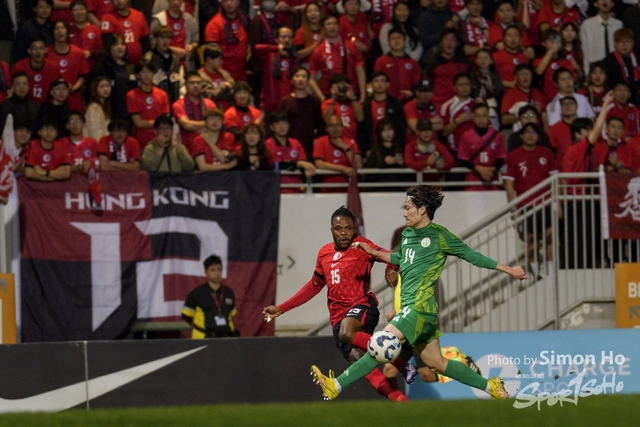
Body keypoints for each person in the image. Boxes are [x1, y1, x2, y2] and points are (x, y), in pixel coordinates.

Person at [310, 185, 527, 401]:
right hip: (412, 309)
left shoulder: (439, 236)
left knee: (381, 343)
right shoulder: (406, 235)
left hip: (419, 307)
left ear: (422, 209)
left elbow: (473, 256)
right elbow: (400, 259)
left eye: (408, 208)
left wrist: (509, 270)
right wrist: (373, 252)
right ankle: (491, 387)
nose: (404, 213)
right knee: (437, 364)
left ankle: (336, 385)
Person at [263, 206, 415, 402]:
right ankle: (402, 401)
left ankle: (402, 364)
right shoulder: (324, 253)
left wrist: (390, 269)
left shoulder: (362, 245)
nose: (344, 233)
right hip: (337, 318)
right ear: (331, 230)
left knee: (346, 332)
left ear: (354, 229)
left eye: (348, 228)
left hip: (362, 306)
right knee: (361, 362)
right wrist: (281, 308)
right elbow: (313, 286)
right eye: (339, 228)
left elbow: (391, 256)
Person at [503, 122, 559, 279]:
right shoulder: (513, 156)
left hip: (546, 203)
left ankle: (550, 273)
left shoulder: (546, 153)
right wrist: (514, 207)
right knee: (530, 239)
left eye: (534, 132)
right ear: (521, 136)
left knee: (549, 236)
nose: (530, 135)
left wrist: (558, 204)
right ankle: (536, 275)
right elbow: (509, 184)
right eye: (527, 132)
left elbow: (555, 179)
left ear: (538, 136)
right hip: (525, 205)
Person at [308, 14, 366, 103]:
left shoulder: (350, 46)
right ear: (323, 29)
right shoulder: (318, 51)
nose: (332, 26)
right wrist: (322, 98)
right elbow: (311, 78)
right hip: (329, 93)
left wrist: (363, 96)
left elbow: (360, 71)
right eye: (329, 24)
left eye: (334, 23)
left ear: (339, 27)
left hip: (351, 91)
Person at [182, 254, 239, 338]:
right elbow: (186, 316)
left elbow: (231, 315)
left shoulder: (229, 293)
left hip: (225, 338)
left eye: (219, 269)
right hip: (202, 337)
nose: (216, 273)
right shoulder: (196, 293)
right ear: (206, 272)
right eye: (212, 270)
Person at [457, 103, 506, 190]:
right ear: (473, 117)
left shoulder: (497, 136)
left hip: (492, 180)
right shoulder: (466, 136)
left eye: (484, 115)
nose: (481, 119)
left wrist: (491, 171)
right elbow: (463, 160)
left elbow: (500, 159)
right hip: (472, 181)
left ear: (488, 117)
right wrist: (479, 169)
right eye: (478, 116)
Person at [278, 67, 324, 159]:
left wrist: (317, 139)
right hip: (290, 143)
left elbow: (320, 124)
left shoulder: (314, 101)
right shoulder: (285, 101)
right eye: (297, 76)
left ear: (308, 80)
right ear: (292, 80)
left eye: (304, 76)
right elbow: (280, 123)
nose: (300, 79)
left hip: (310, 143)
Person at [88, 34, 135, 120]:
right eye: (115, 44)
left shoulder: (130, 67)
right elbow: (92, 90)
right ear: (109, 47)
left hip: (128, 113)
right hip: (108, 113)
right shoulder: (100, 67)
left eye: (122, 44)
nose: (120, 47)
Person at [266, 111, 316, 193]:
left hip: (295, 190)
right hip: (274, 191)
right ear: (271, 127)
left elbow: (303, 162)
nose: (282, 127)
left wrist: (304, 167)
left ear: (288, 125)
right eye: (277, 124)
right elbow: (275, 165)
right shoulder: (267, 144)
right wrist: (298, 164)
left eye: (284, 123)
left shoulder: (295, 143)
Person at [253, 26, 299, 114]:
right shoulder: (269, 55)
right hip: (269, 103)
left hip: (288, 103)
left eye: (289, 37)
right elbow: (257, 47)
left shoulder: (295, 58)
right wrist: (277, 48)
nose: (286, 40)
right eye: (283, 37)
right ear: (276, 39)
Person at [127, 61, 171, 149]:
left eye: (149, 72)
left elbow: (166, 120)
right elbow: (138, 123)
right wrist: (159, 123)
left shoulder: (162, 94)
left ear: (153, 74)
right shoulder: (131, 95)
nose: (146, 75)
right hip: (141, 142)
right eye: (143, 72)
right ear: (138, 75)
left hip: (160, 140)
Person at [47, 20, 90, 112]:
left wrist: (74, 88)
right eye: (56, 29)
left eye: (62, 28)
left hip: (74, 100)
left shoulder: (78, 53)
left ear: (67, 32)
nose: (60, 31)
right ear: (52, 33)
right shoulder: (47, 53)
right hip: (53, 102)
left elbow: (82, 75)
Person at [424, 28, 470, 110]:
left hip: (460, 105)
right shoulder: (432, 63)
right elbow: (427, 87)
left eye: (452, 40)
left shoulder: (465, 62)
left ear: (457, 43)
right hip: (438, 105)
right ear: (441, 43)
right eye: (446, 39)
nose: (449, 42)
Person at [313, 115, 362, 191]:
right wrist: (343, 169)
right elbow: (319, 164)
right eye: (332, 125)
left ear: (343, 128)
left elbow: (358, 165)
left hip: (349, 189)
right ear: (326, 129)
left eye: (338, 125)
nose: (335, 128)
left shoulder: (351, 142)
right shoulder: (320, 142)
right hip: (328, 189)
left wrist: (345, 147)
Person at [173, 71, 217, 154]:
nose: (196, 85)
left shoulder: (210, 103)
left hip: (207, 146)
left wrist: (196, 126)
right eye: (192, 83)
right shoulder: (178, 104)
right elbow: (188, 125)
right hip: (187, 148)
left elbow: (216, 125)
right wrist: (208, 124)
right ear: (185, 85)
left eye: (198, 83)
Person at [204, 0, 249, 82]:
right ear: (221, 2)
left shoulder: (245, 20)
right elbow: (212, 55)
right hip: (222, 74)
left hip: (242, 71)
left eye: (232, 0)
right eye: (225, 1)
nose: (228, 3)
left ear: (238, 1)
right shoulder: (214, 23)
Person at [11, 35, 62, 107]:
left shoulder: (53, 67)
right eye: (35, 48)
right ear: (29, 51)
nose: (38, 52)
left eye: (41, 48)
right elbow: (13, 90)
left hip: (47, 107)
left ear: (46, 50)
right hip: (23, 106)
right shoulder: (19, 67)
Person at [362, 71, 405, 153]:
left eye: (382, 81)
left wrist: (398, 149)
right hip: (372, 148)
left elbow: (400, 128)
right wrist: (366, 149)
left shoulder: (396, 104)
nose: (379, 84)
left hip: (392, 148)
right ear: (371, 84)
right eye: (376, 81)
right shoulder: (366, 105)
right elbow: (363, 130)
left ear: (387, 84)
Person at [373, 29, 421, 102]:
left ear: (405, 42)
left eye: (399, 38)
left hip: (408, 102)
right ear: (389, 43)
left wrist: (412, 93)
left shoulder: (413, 63)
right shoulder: (381, 61)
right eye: (393, 38)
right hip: (386, 101)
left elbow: (417, 84)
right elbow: (376, 82)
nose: (396, 40)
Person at [101, 0, 150, 65]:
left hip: (139, 63)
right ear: (111, 1)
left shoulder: (139, 16)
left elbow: (145, 40)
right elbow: (108, 43)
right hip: (118, 65)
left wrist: (145, 59)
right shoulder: (107, 18)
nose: (119, 1)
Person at [533, 29, 575, 103]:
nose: (554, 42)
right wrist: (550, 51)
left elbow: (572, 82)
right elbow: (539, 71)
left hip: (564, 101)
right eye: (550, 40)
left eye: (555, 39)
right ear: (543, 43)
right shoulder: (538, 61)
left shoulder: (567, 62)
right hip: (547, 101)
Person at [142, 25, 181, 105]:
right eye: (162, 38)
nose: (165, 41)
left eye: (168, 38)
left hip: (173, 99)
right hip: (154, 100)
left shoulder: (175, 58)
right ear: (156, 39)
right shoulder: (148, 58)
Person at [579, 0, 621, 75]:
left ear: (612, 4)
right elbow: (584, 51)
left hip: (615, 70)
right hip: (595, 71)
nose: (605, 1)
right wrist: (586, 72)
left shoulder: (618, 25)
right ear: (595, 3)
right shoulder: (587, 25)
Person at [500, 63, 546, 129]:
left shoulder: (538, 94)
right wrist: (527, 116)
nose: (525, 76)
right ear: (516, 77)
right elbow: (504, 120)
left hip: (536, 131)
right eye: (521, 74)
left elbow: (545, 118)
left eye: (528, 73)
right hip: (519, 131)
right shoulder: (510, 95)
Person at [321, 74, 363, 145]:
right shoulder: (327, 103)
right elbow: (327, 120)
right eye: (338, 87)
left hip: (352, 142)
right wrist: (333, 97)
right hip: (334, 142)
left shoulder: (354, 103)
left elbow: (360, 119)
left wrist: (352, 98)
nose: (341, 89)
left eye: (344, 87)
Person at [440, 72, 475, 157]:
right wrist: (457, 121)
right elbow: (444, 132)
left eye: (467, 84)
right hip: (455, 151)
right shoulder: (446, 106)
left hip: (474, 150)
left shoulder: (476, 104)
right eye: (461, 85)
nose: (464, 87)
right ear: (455, 88)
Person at [470, 48, 504, 130]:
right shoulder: (471, 77)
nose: (483, 60)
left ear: (491, 61)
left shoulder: (496, 77)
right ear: (476, 61)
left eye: (485, 58)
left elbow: (500, 93)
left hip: (493, 110)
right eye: (480, 58)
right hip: (476, 110)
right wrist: (475, 98)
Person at [603, 28, 640, 102]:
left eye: (628, 41)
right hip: (616, 100)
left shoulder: (638, 57)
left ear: (632, 43)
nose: (624, 45)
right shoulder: (608, 61)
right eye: (620, 42)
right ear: (615, 44)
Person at [11, 0, 53, 64]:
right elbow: (18, 54)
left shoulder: (52, 28)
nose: (45, 10)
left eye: (47, 7)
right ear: (35, 9)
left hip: (47, 65)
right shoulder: (25, 28)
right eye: (41, 7)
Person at [69, 0, 104, 70]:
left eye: (82, 9)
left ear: (86, 11)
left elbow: (103, 51)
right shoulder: (67, 30)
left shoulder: (95, 29)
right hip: (73, 68)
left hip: (93, 69)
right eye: (75, 10)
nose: (79, 12)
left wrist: (91, 53)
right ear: (71, 13)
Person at [548, 95, 579, 168]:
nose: (567, 106)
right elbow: (552, 152)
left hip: (584, 169)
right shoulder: (554, 129)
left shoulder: (586, 125)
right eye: (564, 104)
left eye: (570, 103)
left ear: (577, 107)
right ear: (561, 109)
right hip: (563, 169)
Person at [84, 76, 112, 141]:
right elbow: (95, 133)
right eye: (101, 87)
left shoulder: (103, 106)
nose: (105, 89)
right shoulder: (94, 108)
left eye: (107, 86)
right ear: (95, 89)